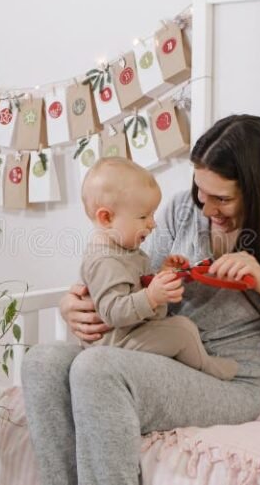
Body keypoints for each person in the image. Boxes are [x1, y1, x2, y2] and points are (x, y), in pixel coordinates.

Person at [21, 114, 260, 485]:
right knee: (41, 362)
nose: (206, 210)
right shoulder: (181, 210)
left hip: (229, 380)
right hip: (158, 352)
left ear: (259, 190)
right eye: (201, 192)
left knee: (98, 370)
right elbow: (136, 284)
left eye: (222, 199)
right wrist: (73, 304)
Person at [79, 156, 238, 380]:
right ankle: (207, 368)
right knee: (182, 331)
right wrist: (152, 297)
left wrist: (161, 276)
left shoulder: (127, 250)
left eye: (152, 214)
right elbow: (113, 312)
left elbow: (135, 289)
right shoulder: (105, 260)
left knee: (180, 327)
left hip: (129, 333)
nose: (153, 223)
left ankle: (197, 364)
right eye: (143, 216)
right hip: (114, 342)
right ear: (106, 218)